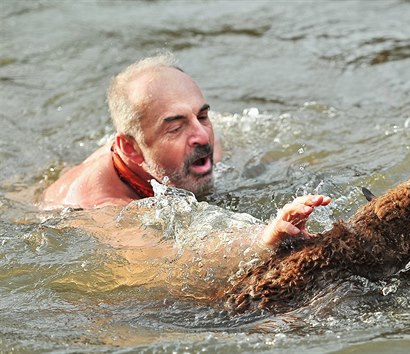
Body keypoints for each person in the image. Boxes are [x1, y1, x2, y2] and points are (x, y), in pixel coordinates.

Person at [41, 53, 330, 249]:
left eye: (202, 116)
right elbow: (165, 257)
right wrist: (260, 238)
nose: (203, 136)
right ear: (131, 149)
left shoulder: (201, 142)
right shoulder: (100, 209)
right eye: (176, 127)